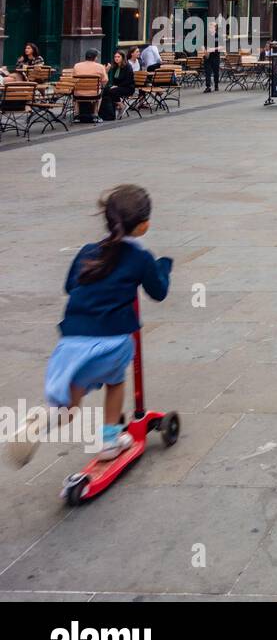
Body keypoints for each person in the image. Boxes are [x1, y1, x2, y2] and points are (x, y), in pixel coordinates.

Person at [4, 185, 172, 468]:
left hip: (70, 343)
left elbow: (71, 286)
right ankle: (108, 442)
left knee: (68, 407)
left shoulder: (87, 252)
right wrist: (163, 266)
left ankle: (43, 419)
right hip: (112, 342)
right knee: (115, 381)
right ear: (144, 226)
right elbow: (158, 291)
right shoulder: (141, 257)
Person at [99, 50, 136, 121]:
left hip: (128, 88)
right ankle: (109, 112)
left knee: (112, 91)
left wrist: (117, 86)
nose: (116, 58)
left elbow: (128, 81)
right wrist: (106, 71)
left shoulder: (127, 66)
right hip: (118, 86)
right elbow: (113, 80)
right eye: (115, 57)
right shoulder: (116, 67)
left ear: (122, 57)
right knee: (105, 90)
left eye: (118, 57)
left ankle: (121, 106)